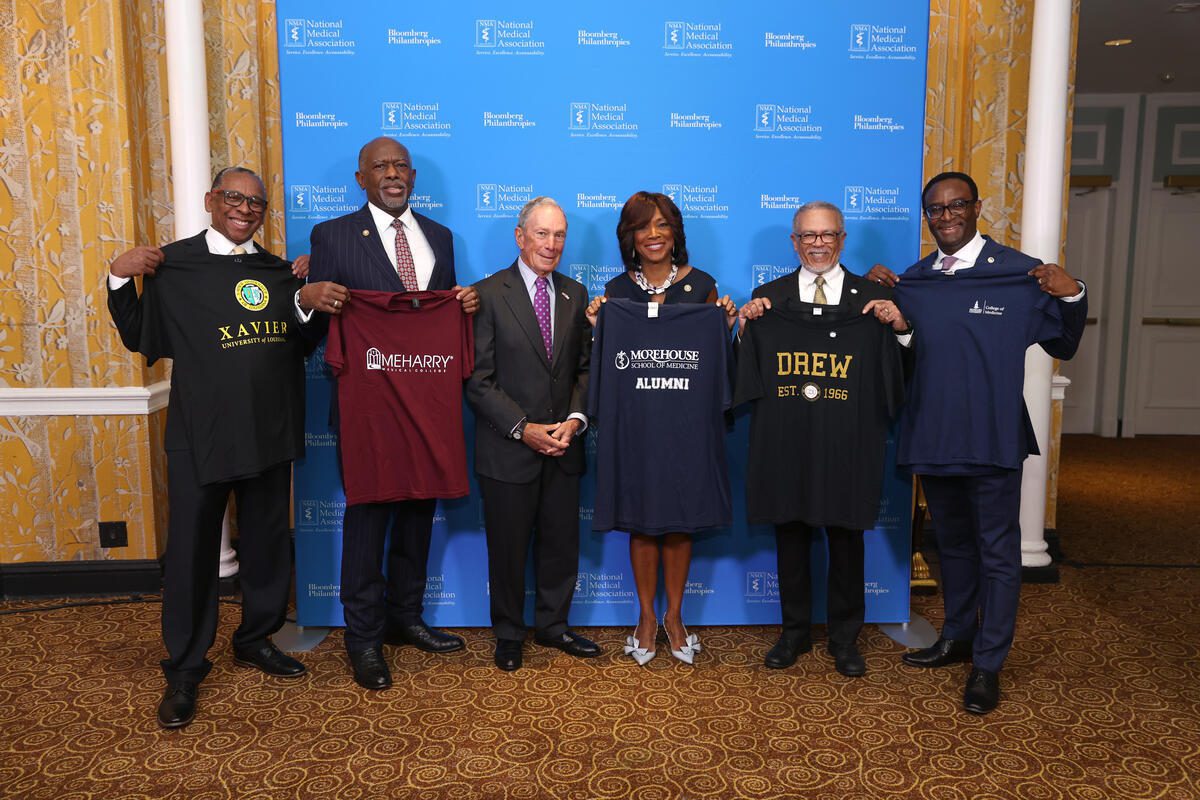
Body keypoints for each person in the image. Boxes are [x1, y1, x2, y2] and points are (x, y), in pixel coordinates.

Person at [108, 166, 346, 728]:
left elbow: (304, 341)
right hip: (201, 435)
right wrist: (119, 278)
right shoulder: (175, 264)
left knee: (266, 544)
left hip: (270, 429)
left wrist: (306, 300)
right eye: (234, 198)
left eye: (256, 203)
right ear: (212, 200)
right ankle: (186, 666)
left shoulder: (278, 271)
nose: (244, 209)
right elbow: (144, 336)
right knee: (192, 552)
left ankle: (256, 638)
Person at [864, 171, 1087, 714]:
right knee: (953, 546)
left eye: (955, 206)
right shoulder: (914, 281)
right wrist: (881, 300)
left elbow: (1064, 341)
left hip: (991, 437)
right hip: (934, 434)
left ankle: (989, 663)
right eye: (935, 210)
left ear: (977, 207)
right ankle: (958, 636)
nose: (946, 217)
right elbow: (902, 354)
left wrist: (1075, 292)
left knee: (998, 552)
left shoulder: (1018, 274)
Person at [306, 137, 479, 691]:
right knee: (368, 520)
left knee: (415, 518)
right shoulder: (331, 236)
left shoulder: (441, 238)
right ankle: (364, 639)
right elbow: (319, 329)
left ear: (413, 176)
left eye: (401, 165)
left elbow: (439, 319)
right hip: (370, 411)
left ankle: (406, 618)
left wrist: (463, 306)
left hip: (426, 405)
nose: (392, 173)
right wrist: (307, 295)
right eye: (380, 166)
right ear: (361, 179)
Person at [735, 201, 899, 678]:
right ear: (795, 242)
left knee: (846, 537)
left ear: (842, 240)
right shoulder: (769, 300)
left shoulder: (871, 301)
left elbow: (900, 377)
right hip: (789, 442)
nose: (818, 243)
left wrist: (898, 327)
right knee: (791, 533)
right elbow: (743, 376)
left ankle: (846, 639)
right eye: (808, 236)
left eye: (827, 234)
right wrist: (745, 327)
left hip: (849, 443)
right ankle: (795, 632)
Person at [585, 191, 737, 666]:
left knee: (681, 520)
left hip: (688, 429)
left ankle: (675, 615)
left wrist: (726, 327)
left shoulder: (704, 288)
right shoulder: (615, 294)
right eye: (641, 227)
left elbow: (718, 367)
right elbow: (603, 368)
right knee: (642, 521)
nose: (653, 235)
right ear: (629, 237)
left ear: (676, 233)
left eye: (662, 225)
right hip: (636, 430)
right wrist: (597, 328)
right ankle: (645, 616)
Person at [465, 196, 599, 672]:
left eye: (559, 234)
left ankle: (553, 625)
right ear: (519, 237)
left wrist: (575, 421)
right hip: (508, 449)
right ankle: (508, 632)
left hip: (563, 447)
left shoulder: (575, 293)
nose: (552, 244)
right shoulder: (487, 293)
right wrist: (524, 429)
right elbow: (477, 379)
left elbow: (586, 369)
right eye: (542, 234)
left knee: (562, 544)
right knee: (507, 548)